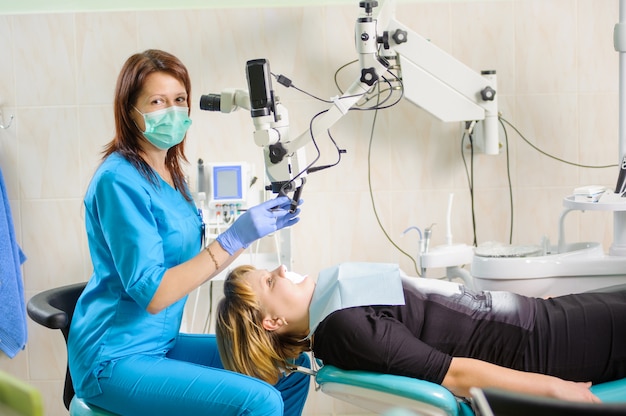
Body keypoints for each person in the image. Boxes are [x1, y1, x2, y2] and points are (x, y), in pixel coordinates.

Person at [67, 49, 310, 416]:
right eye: (157, 101)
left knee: (290, 369)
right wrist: (235, 237)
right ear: (130, 111)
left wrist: (250, 230)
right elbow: (153, 293)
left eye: (179, 100)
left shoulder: (169, 173)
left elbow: (190, 260)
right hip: (113, 358)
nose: (173, 110)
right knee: (261, 400)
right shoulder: (117, 181)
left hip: (160, 343)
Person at [215, 262, 626, 404]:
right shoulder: (343, 329)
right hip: (543, 345)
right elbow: (455, 375)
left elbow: (444, 305)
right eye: (271, 282)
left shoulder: (334, 303)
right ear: (272, 323)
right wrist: (555, 390)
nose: (283, 271)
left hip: (539, 318)